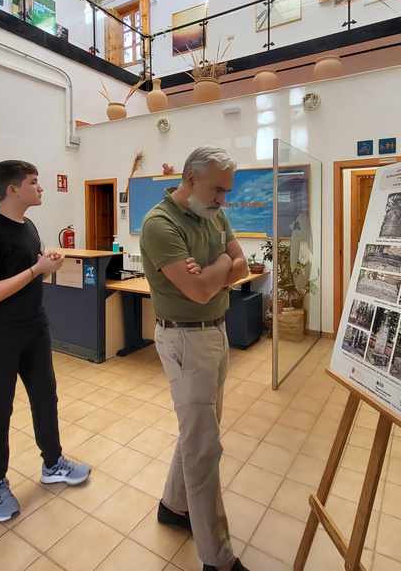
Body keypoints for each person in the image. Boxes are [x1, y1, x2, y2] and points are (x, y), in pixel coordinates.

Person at [140, 146, 251, 571]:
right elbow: (200, 290)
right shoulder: (160, 223)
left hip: (215, 332)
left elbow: (243, 265)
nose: (224, 199)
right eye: (217, 189)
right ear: (189, 178)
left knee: (198, 431)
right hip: (185, 341)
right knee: (204, 447)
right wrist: (224, 265)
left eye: (226, 191)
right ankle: (216, 558)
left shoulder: (214, 213)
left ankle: (173, 505)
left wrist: (217, 267)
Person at [0, 160, 91, 523]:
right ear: (12, 190)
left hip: (34, 328)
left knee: (45, 397)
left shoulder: (29, 225)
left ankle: (53, 464)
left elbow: (26, 267)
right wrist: (37, 270)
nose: (41, 189)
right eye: (34, 183)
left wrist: (44, 260)